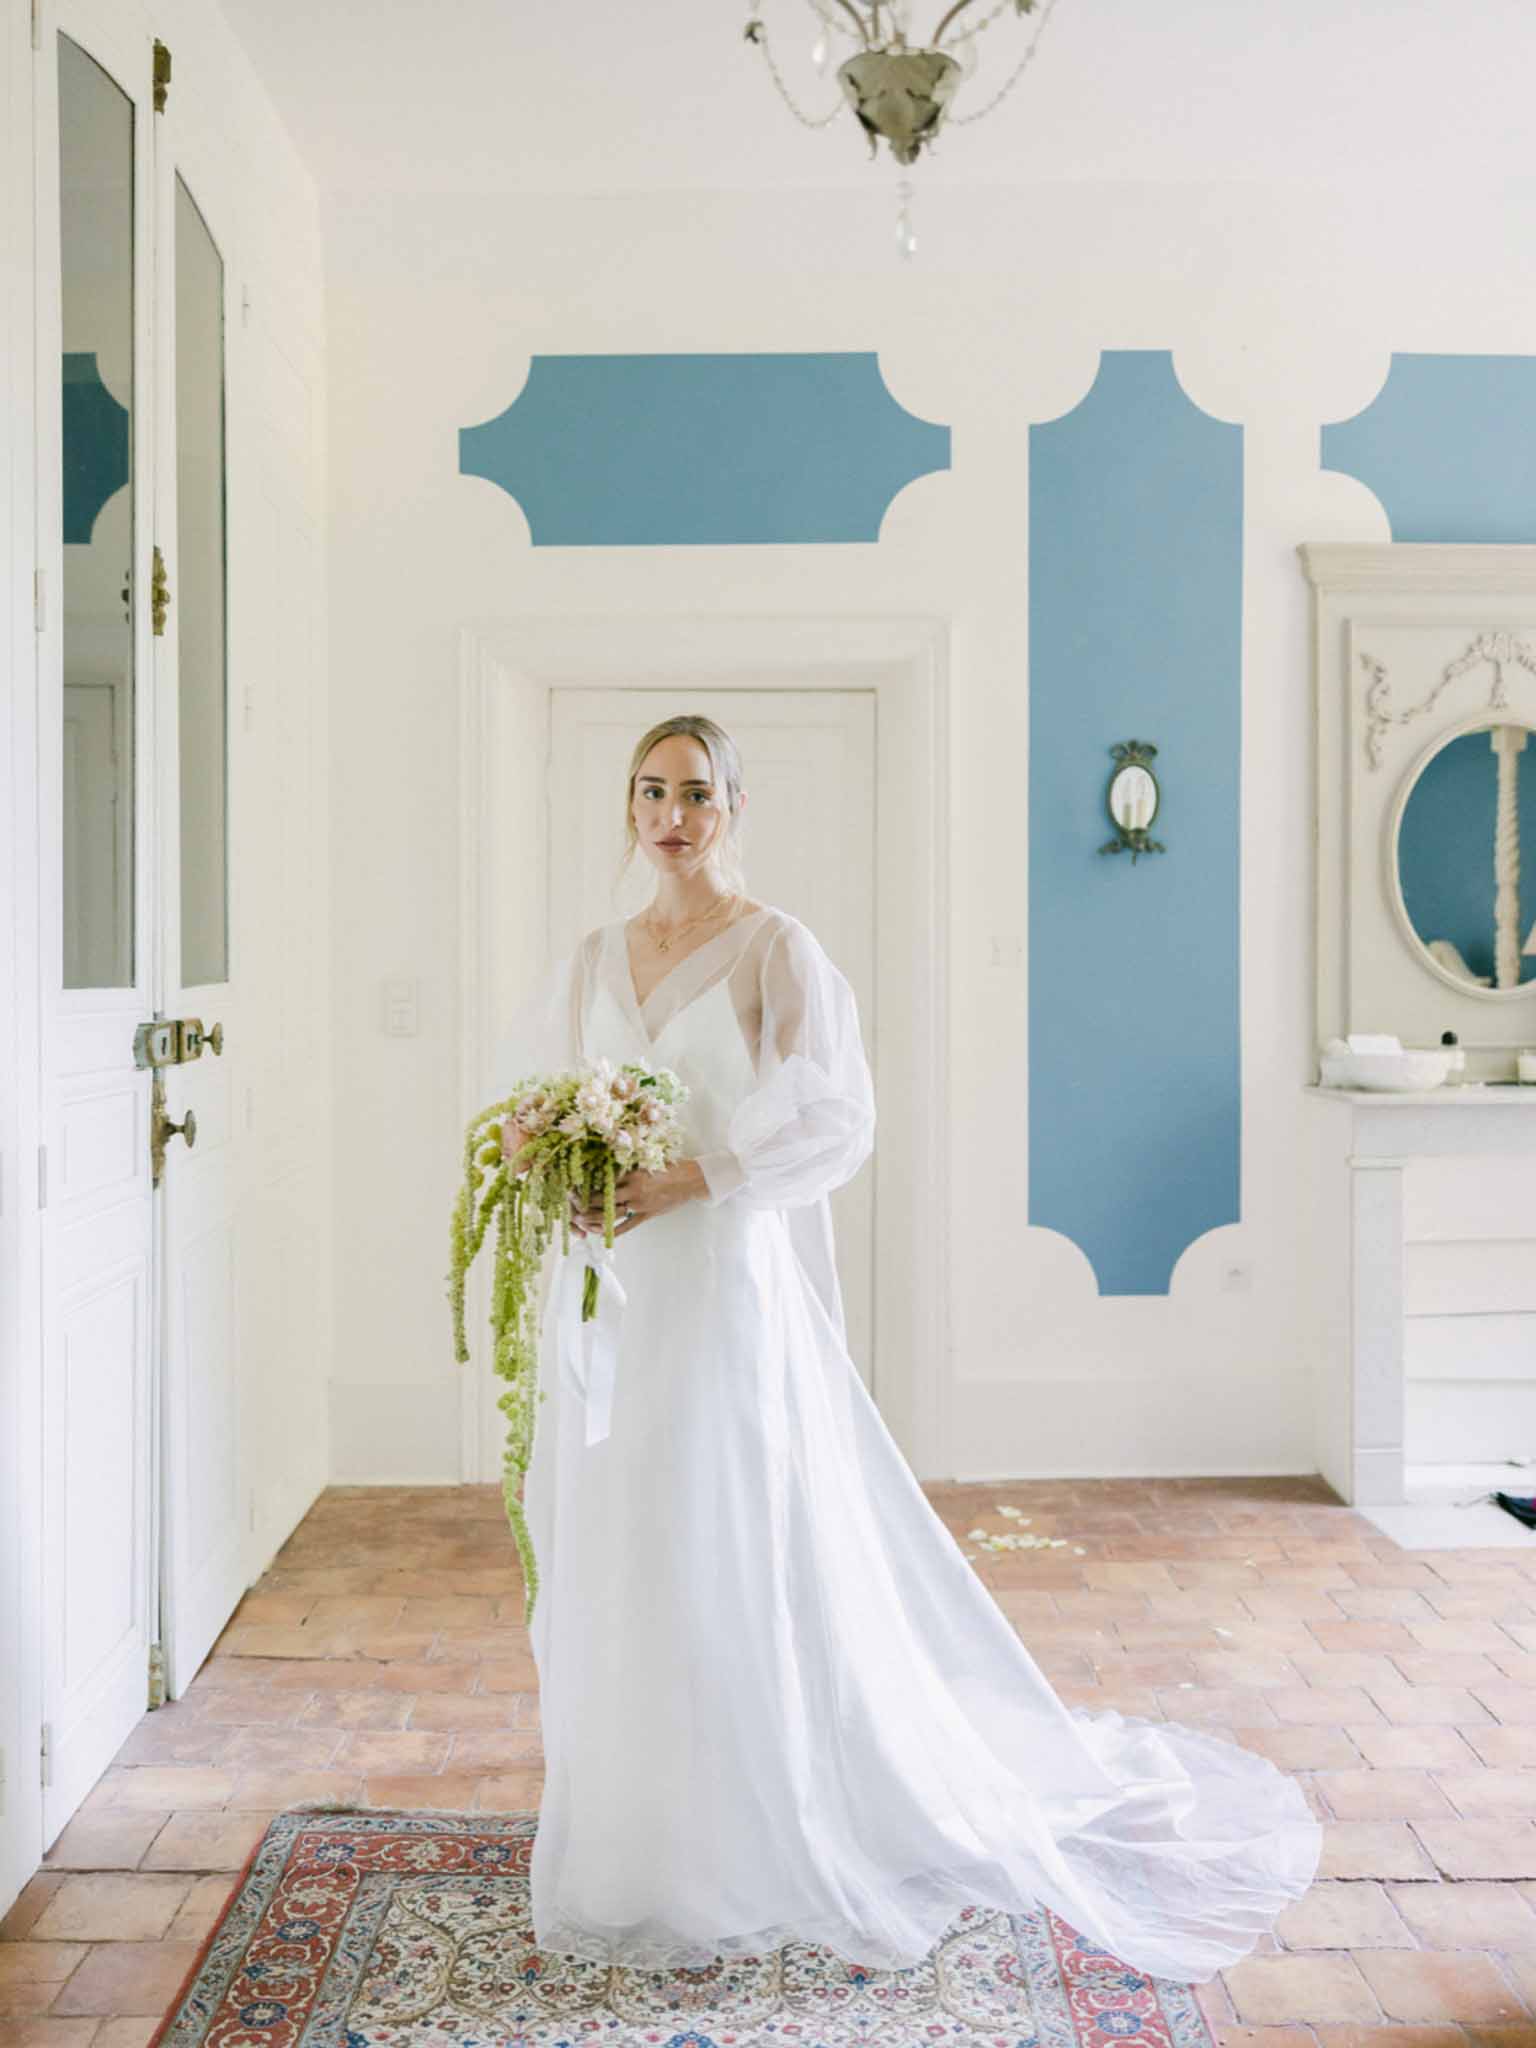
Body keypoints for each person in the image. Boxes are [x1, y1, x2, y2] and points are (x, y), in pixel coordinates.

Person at [491, 711, 1321, 1980]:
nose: (673, 815)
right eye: (651, 791)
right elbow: (536, 1098)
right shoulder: (596, 955)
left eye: (698, 793)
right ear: (628, 807)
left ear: (735, 806)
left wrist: (695, 1178)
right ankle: (636, 1828)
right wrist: (550, 1160)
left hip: (720, 1281)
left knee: (726, 1522)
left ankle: (759, 1822)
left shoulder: (775, 949)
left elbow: (838, 1122)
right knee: (628, 1525)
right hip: (622, 1293)